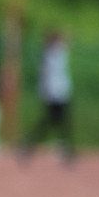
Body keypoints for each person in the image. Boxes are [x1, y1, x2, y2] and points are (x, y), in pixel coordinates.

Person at [23, 30, 75, 165]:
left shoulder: (52, 53)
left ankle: (66, 151)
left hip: (58, 93)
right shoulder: (50, 54)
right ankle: (31, 146)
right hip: (54, 93)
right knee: (54, 124)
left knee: (57, 124)